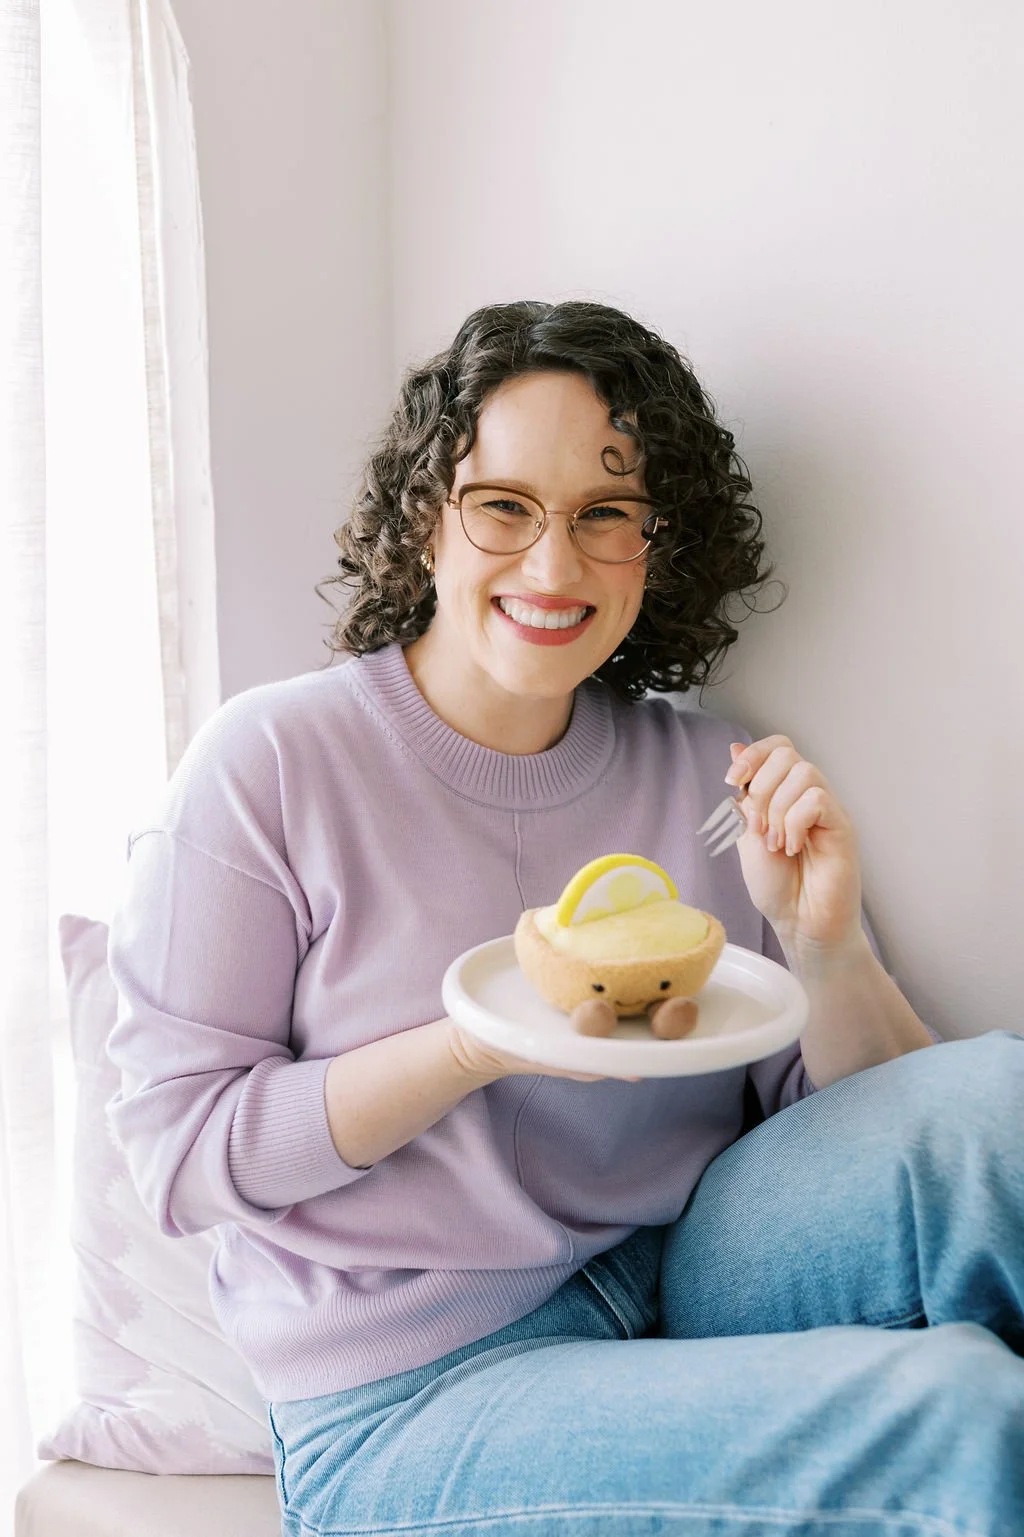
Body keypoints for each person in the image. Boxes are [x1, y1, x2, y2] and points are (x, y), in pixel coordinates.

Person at [105, 300, 1024, 1536]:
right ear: (427, 514)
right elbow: (180, 1156)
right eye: (503, 505)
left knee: (999, 1109)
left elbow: (852, 1133)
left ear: (659, 541)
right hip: (411, 1396)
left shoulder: (705, 773)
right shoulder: (273, 762)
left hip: (684, 1268)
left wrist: (822, 939)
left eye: (604, 515)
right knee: (961, 1416)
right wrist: (475, 1045)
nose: (553, 566)